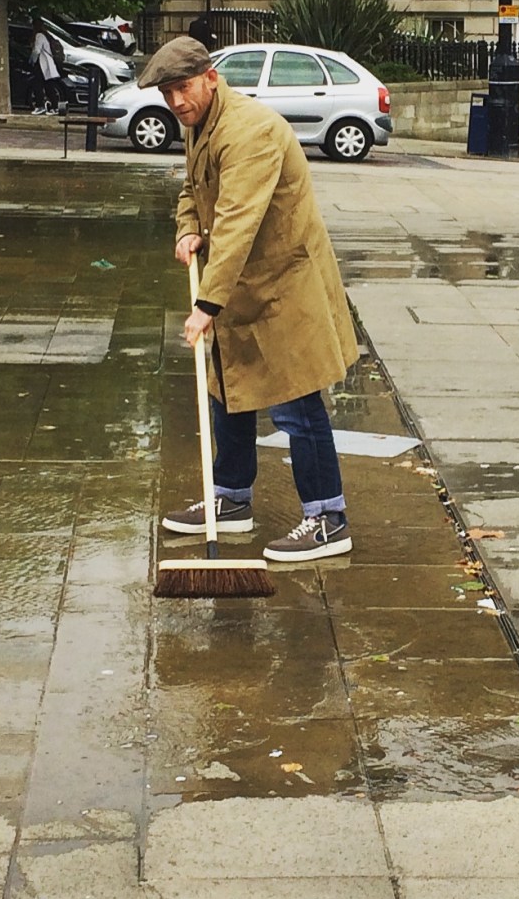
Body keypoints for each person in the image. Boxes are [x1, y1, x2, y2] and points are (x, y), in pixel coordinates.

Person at [145, 35, 360, 562]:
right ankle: (231, 497)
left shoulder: (249, 132)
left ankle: (328, 518)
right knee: (227, 391)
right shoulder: (200, 123)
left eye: (184, 88)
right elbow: (193, 191)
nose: (176, 102)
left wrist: (206, 306)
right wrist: (186, 229)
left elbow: (237, 221)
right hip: (241, 283)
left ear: (211, 78)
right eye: (168, 94)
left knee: (296, 402)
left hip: (284, 287)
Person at [31, 16, 68, 114]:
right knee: (49, 86)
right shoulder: (46, 35)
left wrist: (32, 61)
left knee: (38, 85)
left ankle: (40, 106)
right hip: (48, 65)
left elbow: (37, 51)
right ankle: (54, 107)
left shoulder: (39, 36)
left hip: (43, 65)